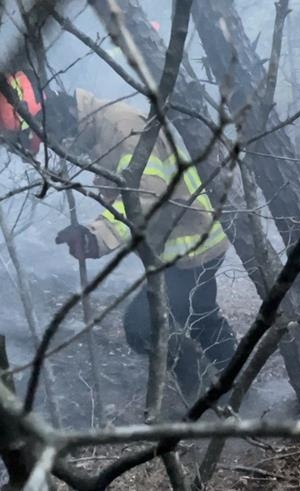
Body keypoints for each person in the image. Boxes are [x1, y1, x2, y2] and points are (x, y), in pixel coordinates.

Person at [0, 72, 238, 399]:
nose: (60, 146)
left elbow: (143, 197)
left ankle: (202, 394)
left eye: (52, 137)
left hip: (190, 245)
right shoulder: (101, 130)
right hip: (184, 242)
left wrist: (95, 236)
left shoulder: (121, 127)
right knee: (202, 318)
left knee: (142, 327)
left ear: (59, 118)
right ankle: (234, 389)